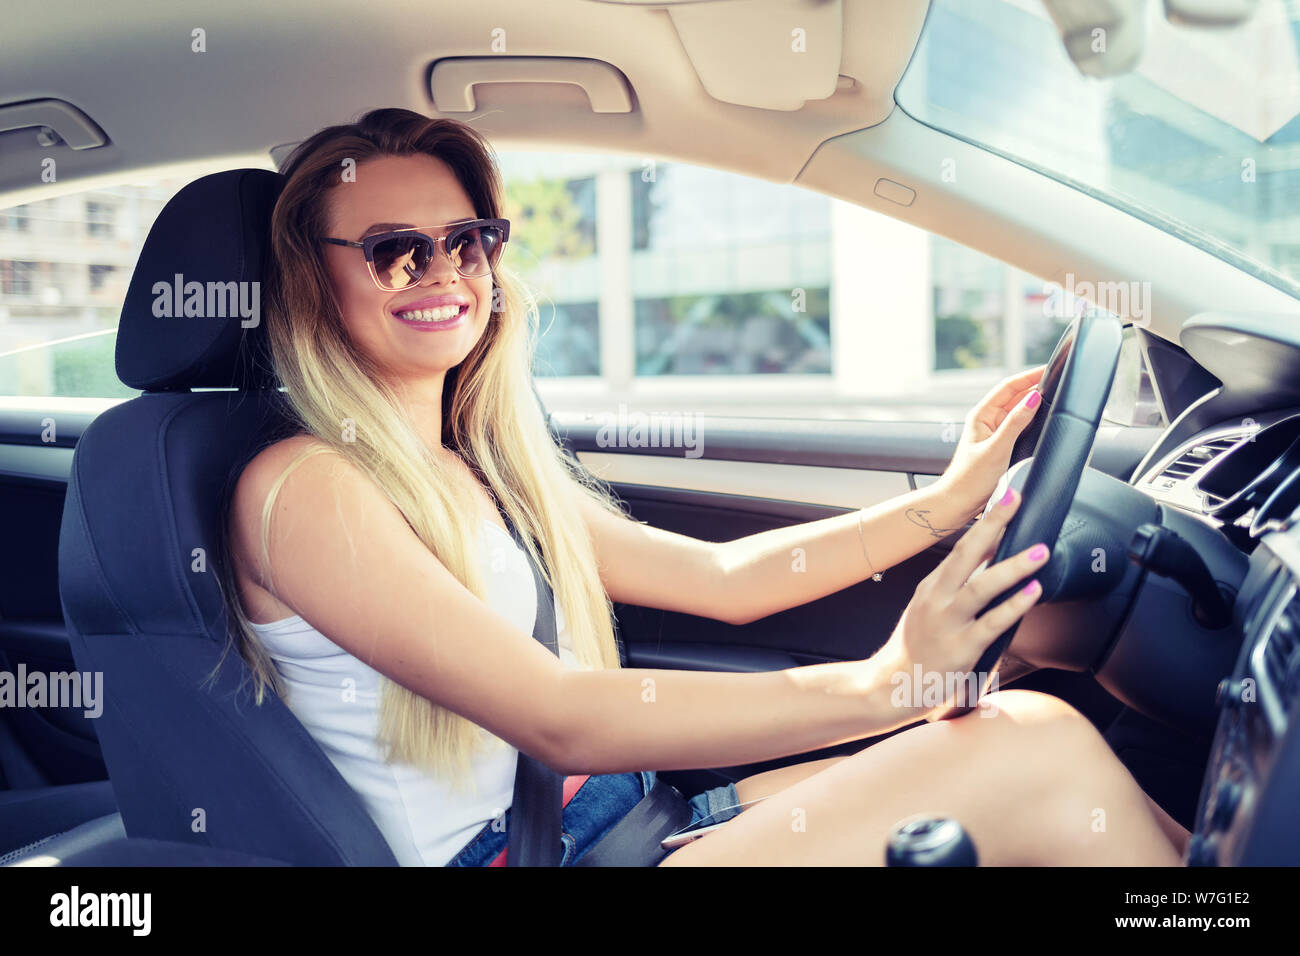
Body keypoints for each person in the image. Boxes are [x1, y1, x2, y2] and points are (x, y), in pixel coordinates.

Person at [223, 107, 1189, 867]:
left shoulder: (471, 466)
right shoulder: (303, 488)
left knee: (1028, 740)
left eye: (467, 241)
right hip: (536, 856)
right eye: (398, 249)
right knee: (1038, 751)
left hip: (629, 822)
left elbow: (725, 578)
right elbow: (561, 714)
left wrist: (944, 501)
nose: (444, 272)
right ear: (316, 282)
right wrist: (885, 684)